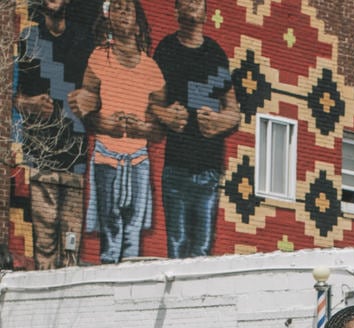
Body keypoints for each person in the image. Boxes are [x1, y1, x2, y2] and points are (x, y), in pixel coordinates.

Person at [151, 0, 239, 259]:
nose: (192, 5)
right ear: (175, 10)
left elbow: (233, 112)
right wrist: (166, 115)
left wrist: (218, 122)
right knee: (176, 246)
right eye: (186, 1)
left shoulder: (215, 54)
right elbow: (151, 103)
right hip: (176, 166)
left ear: (205, 12)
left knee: (201, 250)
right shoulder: (166, 50)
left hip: (209, 169)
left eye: (198, 1)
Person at [14, 0, 96, 270]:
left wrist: (91, 98)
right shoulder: (29, 38)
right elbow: (13, 96)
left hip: (75, 154)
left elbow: (99, 90)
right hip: (41, 153)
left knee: (71, 244)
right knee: (45, 244)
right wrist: (30, 104)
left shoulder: (83, 39)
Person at [81, 0, 163, 263]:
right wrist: (105, 124)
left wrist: (144, 128)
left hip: (138, 161)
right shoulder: (98, 57)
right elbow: (86, 110)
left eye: (129, 7)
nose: (124, 11)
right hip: (106, 158)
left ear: (139, 27)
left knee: (132, 236)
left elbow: (160, 125)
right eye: (117, 7)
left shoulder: (151, 69)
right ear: (108, 20)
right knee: (111, 233)